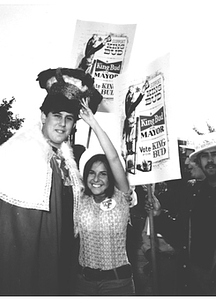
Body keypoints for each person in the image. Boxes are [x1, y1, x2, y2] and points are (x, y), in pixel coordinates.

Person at [0, 68, 103, 295]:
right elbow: (10, 231)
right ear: (43, 117)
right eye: (57, 116)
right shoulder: (21, 151)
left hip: (56, 263)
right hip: (24, 268)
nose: (62, 124)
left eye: (69, 119)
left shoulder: (65, 161)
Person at [74, 99, 136, 295]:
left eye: (103, 173)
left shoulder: (122, 197)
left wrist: (94, 124)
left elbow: (114, 158)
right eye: (91, 173)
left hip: (118, 284)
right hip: (84, 283)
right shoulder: (80, 199)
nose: (96, 179)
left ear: (111, 177)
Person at [145, 132, 216, 295]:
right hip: (195, 279)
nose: (210, 160)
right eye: (205, 156)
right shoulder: (194, 192)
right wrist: (159, 215)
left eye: (215, 154)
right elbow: (181, 236)